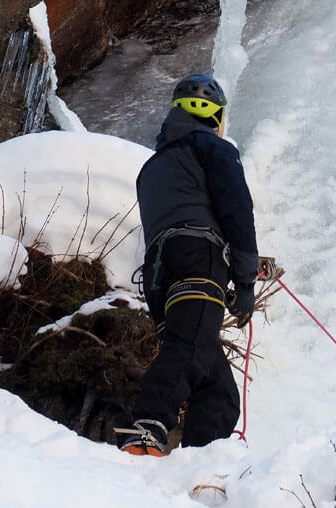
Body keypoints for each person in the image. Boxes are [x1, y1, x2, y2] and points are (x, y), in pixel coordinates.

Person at [117, 74, 259, 456]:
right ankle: (146, 428)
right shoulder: (213, 148)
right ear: (216, 116)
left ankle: (199, 461)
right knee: (192, 346)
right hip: (199, 256)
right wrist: (245, 282)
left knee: (219, 391)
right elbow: (236, 210)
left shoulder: (154, 167)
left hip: (160, 274)